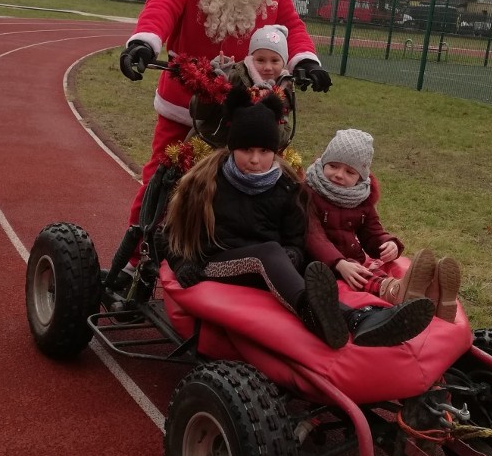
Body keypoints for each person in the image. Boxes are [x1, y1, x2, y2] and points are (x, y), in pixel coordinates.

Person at [115, 0, 332, 292]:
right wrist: (145, 42)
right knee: (161, 178)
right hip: (187, 101)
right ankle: (136, 259)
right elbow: (162, 3)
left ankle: (252, 263)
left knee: (262, 186)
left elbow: (292, 25)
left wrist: (305, 60)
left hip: (247, 106)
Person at [163, 90, 435, 350]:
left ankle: (361, 318)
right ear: (233, 147)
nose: (255, 160)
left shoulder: (287, 188)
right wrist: (183, 264)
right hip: (215, 263)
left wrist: (292, 257)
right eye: (246, 150)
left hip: (268, 268)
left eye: (264, 151)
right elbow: (167, 233)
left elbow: (295, 241)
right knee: (268, 254)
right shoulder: (206, 182)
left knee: (291, 262)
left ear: (275, 151)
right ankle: (317, 317)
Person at [304, 128, 462, 322]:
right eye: (333, 166)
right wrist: (339, 262)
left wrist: (388, 244)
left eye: (349, 171)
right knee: (362, 275)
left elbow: (372, 231)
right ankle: (396, 292)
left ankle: (432, 297)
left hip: (353, 259)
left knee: (373, 271)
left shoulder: (360, 199)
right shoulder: (309, 193)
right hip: (324, 263)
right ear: (323, 163)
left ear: (360, 178)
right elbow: (313, 235)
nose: (338, 175)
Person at [190, 23, 295, 149]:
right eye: (260, 60)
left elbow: (281, 140)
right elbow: (197, 113)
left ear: (284, 62)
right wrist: (214, 84)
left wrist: (270, 105)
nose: (268, 67)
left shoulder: (285, 90)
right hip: (212, 149)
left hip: (258, 160)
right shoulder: (234, 76)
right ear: (251, 58)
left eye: (275, 61)